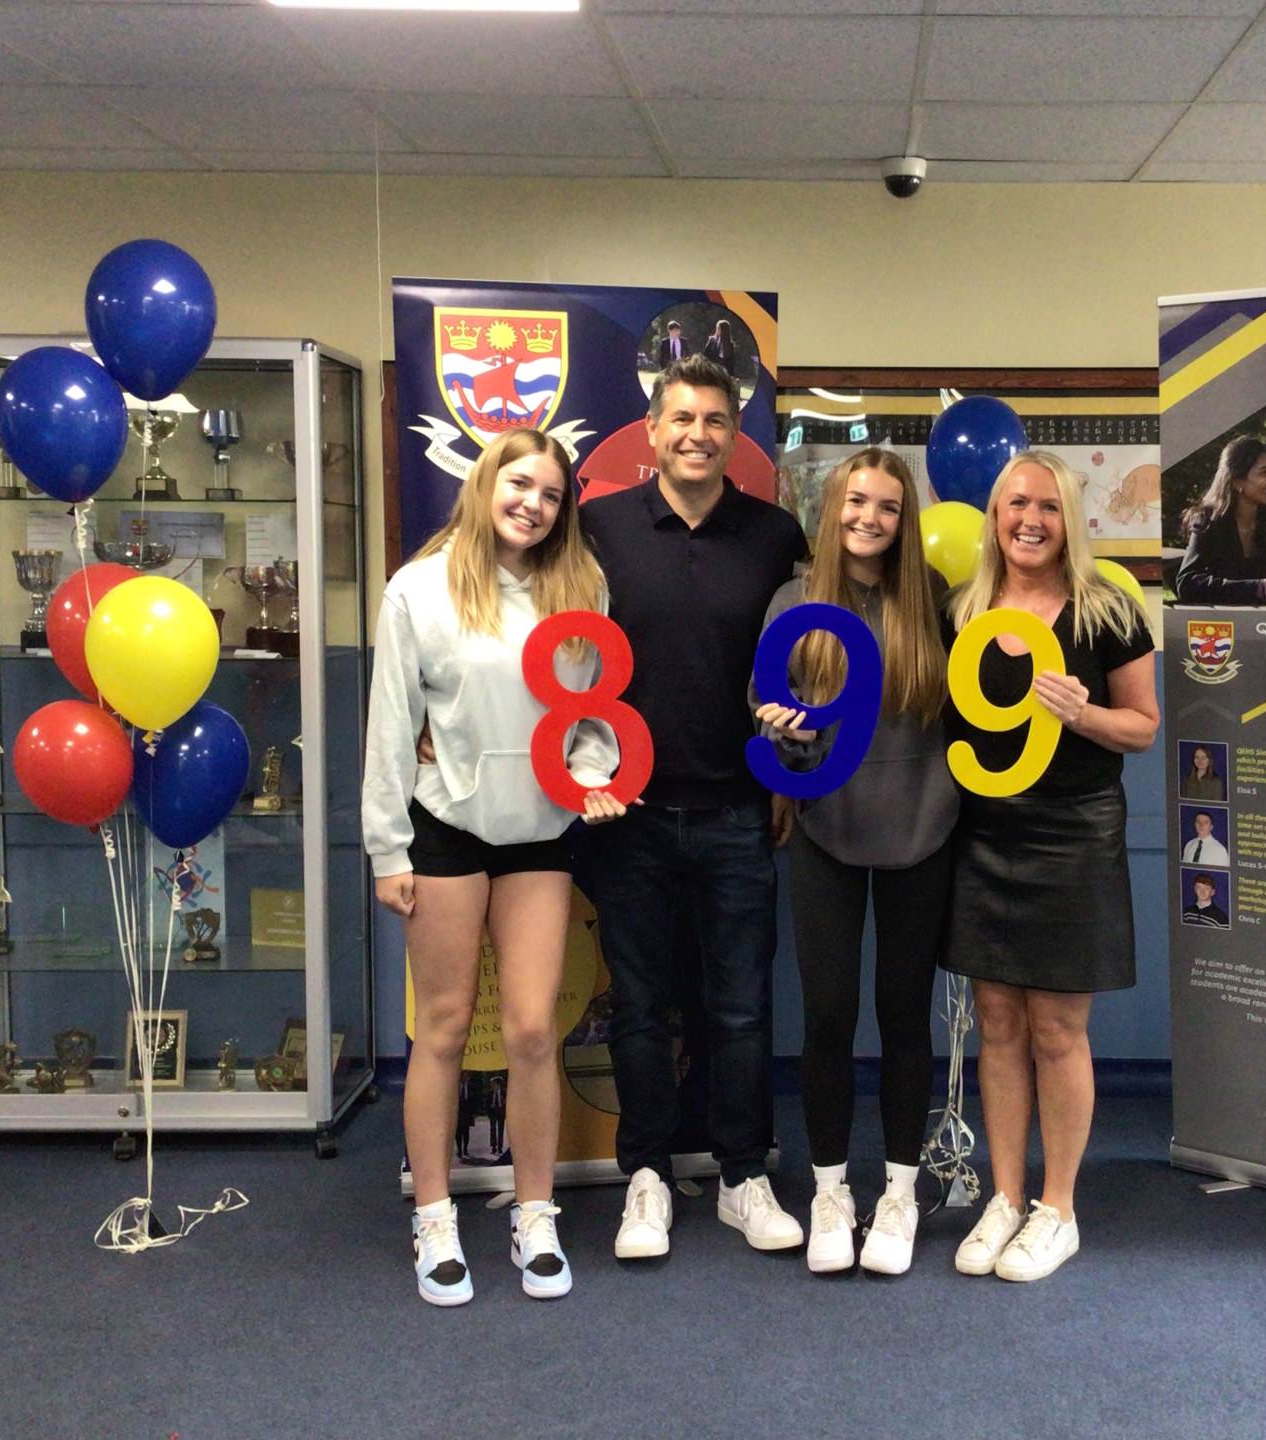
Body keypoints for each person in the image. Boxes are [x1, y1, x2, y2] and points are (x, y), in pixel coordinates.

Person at [363, 428, 623, 1307]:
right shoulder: (419, 589)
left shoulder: (580, 588)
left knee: (532, 1031)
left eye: (550, 494)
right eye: (520, 484)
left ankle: (535, 1213)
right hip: (445, 829)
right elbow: (391, 726)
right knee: (441, 1028)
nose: (533, 505)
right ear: (485, 484)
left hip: (540, 830)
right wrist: (386, 848)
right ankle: (435, 1217)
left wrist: (592, 777)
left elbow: (594, 719)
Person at [578, 355, 809, 1260]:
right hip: (626, 813)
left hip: (739, 814)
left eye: (715, 420)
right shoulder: (598, 526)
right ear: (652, 428)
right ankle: (646, 1176)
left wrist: (786, 777)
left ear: (734, 433)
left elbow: (803, 666)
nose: (697, 435)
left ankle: (743, 1175)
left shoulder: (775, 534)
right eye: (681, 418)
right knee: (639, 1007)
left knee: (741, 1009)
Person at [942, 451, 1159, 1284]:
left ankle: (1057, 1208)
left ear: (1070, 520)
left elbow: (1142, 727)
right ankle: (1004, 1196)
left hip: (1073, 834)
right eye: (1015, 504)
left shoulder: (1109, 609)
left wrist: (1083, 713)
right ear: (995, 516)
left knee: (1059, 1030)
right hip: (983, 835)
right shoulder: (964, 609)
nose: (1030, 520)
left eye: (1048, 507)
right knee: (997, 1021)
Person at [751, 447, 955, 1275]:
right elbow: (770, 719)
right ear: (832, 508)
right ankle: (830, 1190)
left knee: (905, 1016)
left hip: (923, 829)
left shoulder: (933, 599)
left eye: (889, 506)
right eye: (858, 502)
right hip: (825, 831)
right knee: (828, 1016)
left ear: (905, 520)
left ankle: (899, 1191)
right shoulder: (793, 601)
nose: (871, 518)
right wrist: (786, 735)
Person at [1172, 435, 1266, 605]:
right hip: (1224, 619)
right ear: (1237, 480)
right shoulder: (1208, 520)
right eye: (1265, 472)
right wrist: (1262, 588)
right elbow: (1187, 584)